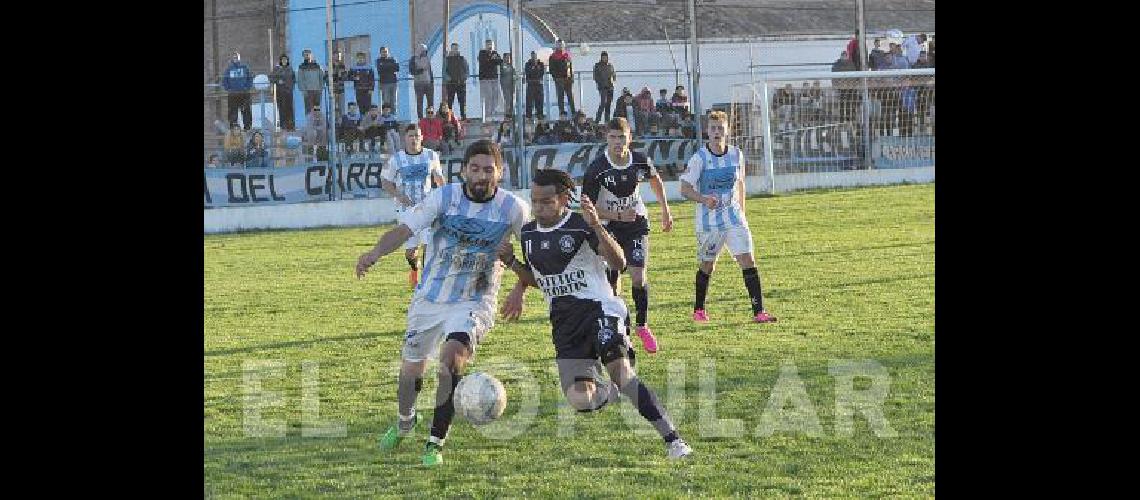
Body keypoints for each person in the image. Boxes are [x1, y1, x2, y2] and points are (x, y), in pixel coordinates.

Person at [497, 169, 692, 459]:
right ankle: (611, 392)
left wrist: (598, 226)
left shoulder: (580, 225)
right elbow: (542, 278)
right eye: (534, 201)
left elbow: (620, 262)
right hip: (564, 323)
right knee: (580, 401)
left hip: (599, 309)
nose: (538, 207)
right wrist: (513, 265)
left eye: (546, 201)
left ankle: (674, 441)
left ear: (564, 199)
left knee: (622, 373)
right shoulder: (528, 233)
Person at [358, 139, 530, 467]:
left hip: (475, 300)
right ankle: (405, 421)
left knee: (451, 358)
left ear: (500, 172)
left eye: (488, 170)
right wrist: (374, 253)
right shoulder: (444, 197)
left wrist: (520, 287)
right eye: (475, 169)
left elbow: (535, 254)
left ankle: (435, 442)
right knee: (411, 374)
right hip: (430, 298)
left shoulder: (513, 209)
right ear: (464, 170)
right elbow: (405, 228)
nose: (481, 176)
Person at [581, 117, 672, 353]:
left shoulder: (640, 160)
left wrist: (665, 209)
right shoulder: (597, 168)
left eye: (622, 137)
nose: (618, 142)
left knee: (638, 276)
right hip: (609, 226)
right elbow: (587, 208)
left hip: (636, 224)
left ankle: (642, 326)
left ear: (629, 138)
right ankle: (621, 328)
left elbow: (655, 180)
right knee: (612, 283)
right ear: (606, 139)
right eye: (613, 137)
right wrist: (618, 215)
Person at [677, 111, 776, 324]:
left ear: (727, 130)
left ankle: (759, 312)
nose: (716, 132)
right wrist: (703, 199)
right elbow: (684, 189)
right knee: (707, 265)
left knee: (748, 259)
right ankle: (699, 309)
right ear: (707, 131)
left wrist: (742, 213)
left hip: (734, 217)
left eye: (720, 128)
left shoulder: (736, 155)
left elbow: (740, 183)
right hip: (709, 222)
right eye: (713, 128)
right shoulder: (699, 158)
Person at [380, 124, 446, 287]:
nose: (414, 139)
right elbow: (385, 181)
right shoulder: (396, 159)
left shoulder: (431, 156)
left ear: (422, 138)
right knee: (411, 251)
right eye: (411, 136)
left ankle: (425, 279)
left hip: (427, 208)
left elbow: (439, 178)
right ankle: (414, 269)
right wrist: (398, 196)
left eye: (417, 136)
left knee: (429, 244)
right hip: (406, 210)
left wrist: (443, 195)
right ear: (405, 139)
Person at [222, 50, 253, 130]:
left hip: (244, 94)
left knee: (246, 111)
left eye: (237, 57)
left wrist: (247, 87)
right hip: (233, 94)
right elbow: (224, 80)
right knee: (233, 112)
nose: (235, 58)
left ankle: (247, 127)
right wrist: (228, 88)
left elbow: (250, 78)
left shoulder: (244, 67)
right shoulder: (229, 68)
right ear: (232, 58)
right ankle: (233, 127)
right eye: (234, 57)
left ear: (239, 58)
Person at [477, 39, 504, 119]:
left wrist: (492, 59)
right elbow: (484, 62)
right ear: (485, 46)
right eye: (488, 45)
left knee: (495, 96)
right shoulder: (482, 53)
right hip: (485, 79)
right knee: (488, 96)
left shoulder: (495, 53)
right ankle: (487, 113)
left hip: (494, 78)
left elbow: (500, 62)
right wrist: (492, 59)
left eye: (491, 45)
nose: (490, 47)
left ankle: (493, 111)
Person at [548, 39, 575, 115]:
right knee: (560, 96)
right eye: (559, 44)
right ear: (556, 45)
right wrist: (556, 78)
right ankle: (562, 112)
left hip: (568, 79)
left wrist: (572, 77)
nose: (560, 46)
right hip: (559, 79)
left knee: (570, 96)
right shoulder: (553, 56)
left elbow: (571, 67)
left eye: (562, 45)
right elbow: (551, 69)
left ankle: (573, 112)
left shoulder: (567, 55)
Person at [444, 43, 469, 120]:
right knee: (450, 102)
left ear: (458, 49)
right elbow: (444, 72)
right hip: (451, 84)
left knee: (462, 101)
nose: (455, 50)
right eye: (453, 48)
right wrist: (449, 79)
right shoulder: (447, 59)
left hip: (461, 84)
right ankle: (449, 117)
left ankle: (463, 116)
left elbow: (467, 70)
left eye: (456, 48)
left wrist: (463, 78)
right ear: (451, 49)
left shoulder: (462, 59)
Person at [270, 55, 296, 130]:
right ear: (280, 61)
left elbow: (294, 79)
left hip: (288, 92)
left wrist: (291, 86)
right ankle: (283, 125)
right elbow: (271, 78)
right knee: (281, 108)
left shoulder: (290, 68)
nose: (284, 61)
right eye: (283, 60)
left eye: (285, 60)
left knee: (290, 109)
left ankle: (291, 125)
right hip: (280, 92)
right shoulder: (277, 69)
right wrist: (278, 81)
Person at [410, 44, 435, 119]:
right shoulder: (413, 59)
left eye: (425, 50)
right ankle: (420, 118)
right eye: (423, 50)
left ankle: (430, 117)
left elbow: (430, 71)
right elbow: (412, 71)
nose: (424, 52)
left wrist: (432, 81)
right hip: (418, 84)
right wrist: (421, 70)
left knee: (430, 102)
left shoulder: (427, 58)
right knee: (420, 102)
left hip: (429, 83)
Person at [297, 49, 325, 116]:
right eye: (305, 55)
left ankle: (316, 123)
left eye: (308, 54)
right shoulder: (301, 67)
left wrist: (321, 88)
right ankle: (309, 124)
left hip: (317, 91)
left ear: (311, 55)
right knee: (308, 109)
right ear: (303, 56)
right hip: (308, 91)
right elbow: (300, 80)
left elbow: (321, 77)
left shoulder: (317, 66)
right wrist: (304, 91)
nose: (307, 56)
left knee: (317, 108)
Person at [593, 52, 616, 122]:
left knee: (608, 104)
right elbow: (595, 77)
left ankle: (607, 121)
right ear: (601, 58)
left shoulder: (610, 65)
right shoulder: (597, 65)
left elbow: (614, 75)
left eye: (606, 57)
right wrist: (601, 83)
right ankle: (597, 120)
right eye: (603, 57)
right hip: (602, 87)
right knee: (603, 103)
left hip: (610, 87)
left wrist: (612, 82)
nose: (605, 58)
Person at [376, 46, 400, 110]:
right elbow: (380, 70)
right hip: (384, 83)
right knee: (386, 101)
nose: (384, 53)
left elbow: (397, 68)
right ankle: (386, 117)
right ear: (380, 53)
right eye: (383, 52)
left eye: (386, 51)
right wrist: (391, 66)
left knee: (394, 101)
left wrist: (385, 66)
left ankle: (393, 116)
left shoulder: (393, 59)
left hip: (393, 83)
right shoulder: (378, 61)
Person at [524, 50, 546, 120]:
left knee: (539, 100)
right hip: (530, 84)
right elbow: (528, 73)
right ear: (531, 56)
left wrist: (534, 69)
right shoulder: (527, 64)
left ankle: (540, 114)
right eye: (532, 55)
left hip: (539, 84)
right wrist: (534, 69)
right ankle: (529, 116)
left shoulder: (541, 64)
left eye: (535, 55)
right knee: (529, 101)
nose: (534, 57)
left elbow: (541, 73)